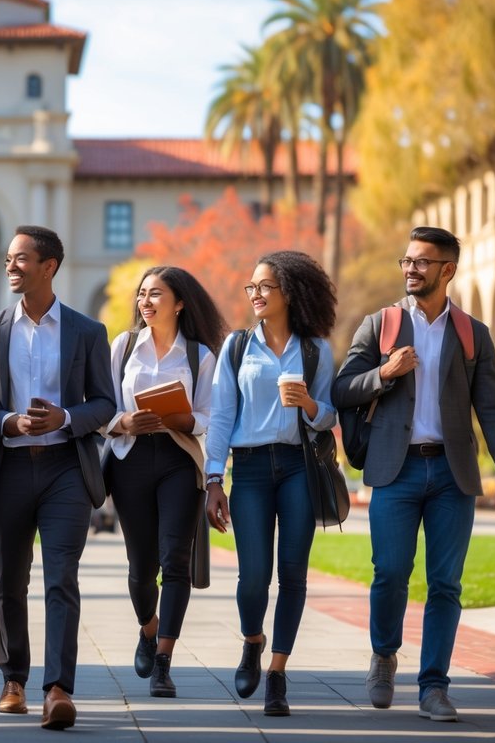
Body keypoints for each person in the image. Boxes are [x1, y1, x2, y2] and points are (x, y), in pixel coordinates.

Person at [333, 226, 495, 722]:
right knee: (390, 573)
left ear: (448, 270)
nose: (411, 268)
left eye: (422, 261)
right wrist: (386, 373)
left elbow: (494, 408)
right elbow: (341, 389)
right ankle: (383, 656)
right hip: (394, 471)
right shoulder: (380, 325)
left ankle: (434, 687)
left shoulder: (471, 333)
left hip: (451, 473)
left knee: (445, 584)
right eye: (407, 260)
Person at [0, 225, 115, 730]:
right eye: (9, 259)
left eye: (20, 259)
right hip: (9, 466)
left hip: (65, 471)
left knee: (62, 578)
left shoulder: (87, 332)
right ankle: (13, 679)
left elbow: (104, 402)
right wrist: (7, 422)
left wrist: (66, 418)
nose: (10, 266)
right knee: (8, 580)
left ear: (49, 266)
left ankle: (58, 688)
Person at [204, 250, 337, 717]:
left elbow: (329, 415)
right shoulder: (238, 347)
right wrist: (214, 478)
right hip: (252, 468)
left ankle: (277, 673)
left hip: (299, 465)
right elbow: (221, 415)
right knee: (253, 575)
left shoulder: (317, 350)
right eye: (252, 287)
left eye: (265, 287)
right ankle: (252, 640)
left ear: (290, 293)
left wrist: (308, 406)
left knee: (293, 573)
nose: (256, 294)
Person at [104, 266, 226, 698]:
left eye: (156, 294)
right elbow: (101, 409)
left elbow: (212, 416)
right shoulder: (121, 348)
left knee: (175, 561)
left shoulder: (200, 356)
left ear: (179, 302)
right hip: (130, 459)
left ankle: (163, 661)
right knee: (141, 569)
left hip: (178, 459)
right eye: (141, 294)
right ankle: (148, 629)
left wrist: (183, 418)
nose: (145, 301)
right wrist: (124, 421)